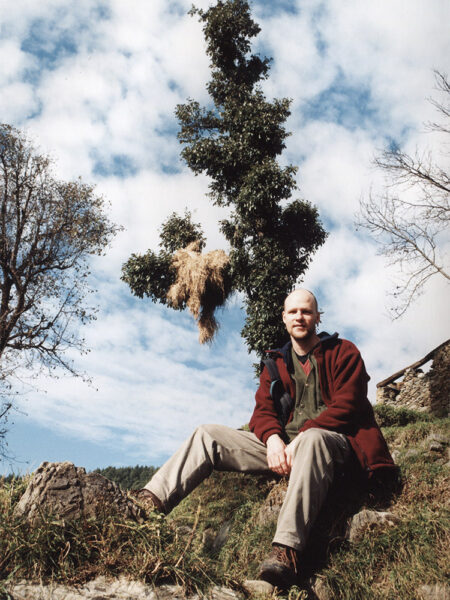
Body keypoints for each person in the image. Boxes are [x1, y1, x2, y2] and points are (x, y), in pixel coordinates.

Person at [136, 289, 395, 587]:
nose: (300, 317)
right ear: (284, 319)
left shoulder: (343, 351)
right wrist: (273, 439)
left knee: (312, 441)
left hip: (337, 446)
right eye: (293, 312)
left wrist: (306, 434)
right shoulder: (275, 362)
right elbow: (262, 412)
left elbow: (349, 403)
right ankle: (147, 505)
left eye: (307, 311)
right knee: (207, 434)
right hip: (287, 448)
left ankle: (286, 551)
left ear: (317, 317)